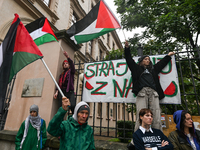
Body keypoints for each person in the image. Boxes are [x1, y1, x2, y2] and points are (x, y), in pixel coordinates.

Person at [124, 41, 175, 131]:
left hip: (154, 93)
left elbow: (162, 63)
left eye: (148, 59)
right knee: (141, 115)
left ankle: (157, 137)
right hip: (142, 93)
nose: (147, 60)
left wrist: (168, 56)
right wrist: (127, 48)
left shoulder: (154, 69)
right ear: (141, 61)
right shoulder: (136, 68)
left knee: (155, 115)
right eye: (145, 59)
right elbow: (128, 59)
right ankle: (137, 139)